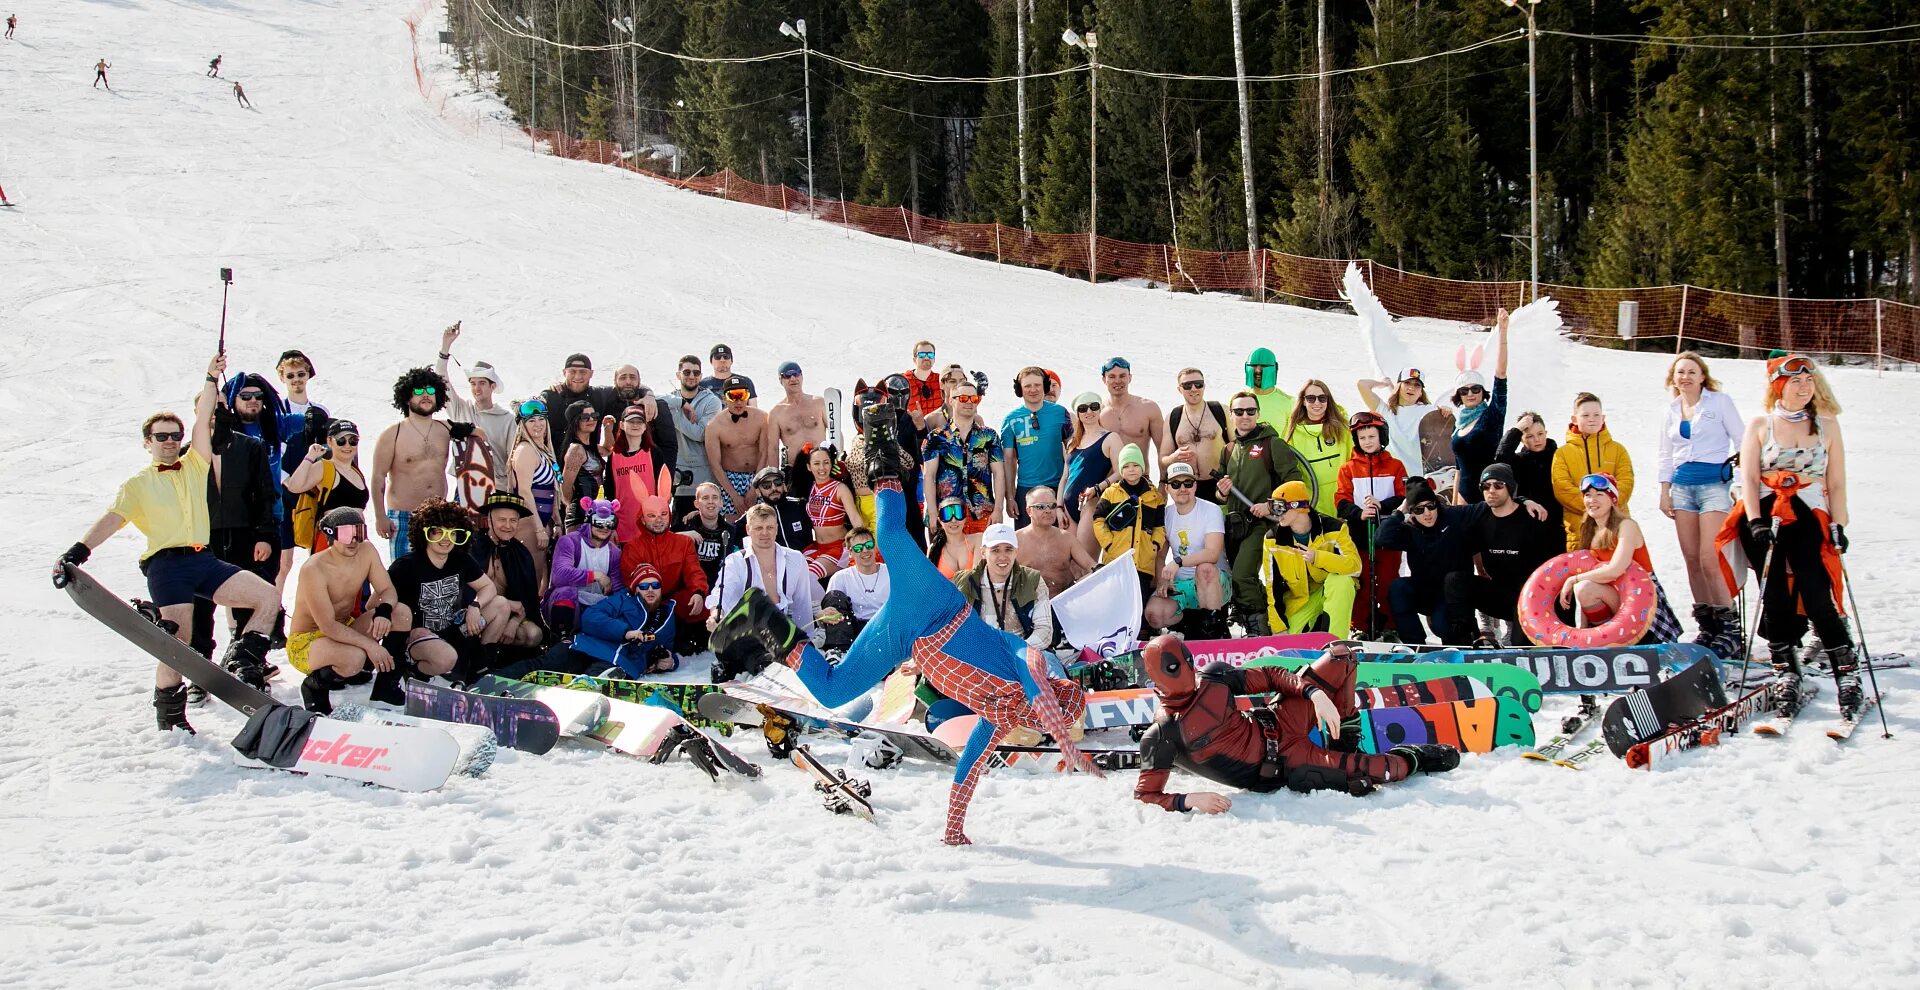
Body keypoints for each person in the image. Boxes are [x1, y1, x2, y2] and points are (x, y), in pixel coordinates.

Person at [710, 409, 1098, 845]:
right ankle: (883, 455)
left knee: (833, 692)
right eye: (1055, 710)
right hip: (934, 607)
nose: (1046, 715)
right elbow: (1034, 678)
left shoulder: (999, 716)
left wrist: (954, 829)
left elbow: (967, 772)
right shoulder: (1027, 662)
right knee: (891, 537)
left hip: (909, 637)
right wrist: (1066, 741)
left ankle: (760, 618)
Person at [55, 356, 282, 729]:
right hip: (167, 567)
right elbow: (112, 519)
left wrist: (211, 377)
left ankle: (245, 656)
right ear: (148, 442)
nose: (170, 441)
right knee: (178, 645)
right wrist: (77, 552)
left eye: (175, 435)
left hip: (205, 561)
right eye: (161, 436)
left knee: (267, 596)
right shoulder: (138, 485)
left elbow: (204, 414)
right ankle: (171, 715)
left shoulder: (196, 464)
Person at [1133, 637, 1458, 812]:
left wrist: (1313, 692)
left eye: (1187, 664)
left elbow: (1272, 675)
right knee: (1385, 770)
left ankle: (1343, 741)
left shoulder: (1214, 679)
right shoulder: (1163, 735)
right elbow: (1146, 796)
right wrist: (1188, 800)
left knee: (1341, 656)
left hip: (1278, 721)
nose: (1186, 674)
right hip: (1284, 764)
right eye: (1176, 668)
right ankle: (1413, 756)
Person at [1727, 353, 1857, 717]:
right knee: (1775, 596)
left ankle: (1845, 667)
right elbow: (1749, 479)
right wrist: (1754, 521)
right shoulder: (1760, 425)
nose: (1804, 386)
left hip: (1806, 513)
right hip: (1766, 515)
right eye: (1796, 380)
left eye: (1809, 380)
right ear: (1778, 385)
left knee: (1816, 592)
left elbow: (1837, 481)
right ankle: (1785, 667)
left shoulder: (1827, 425)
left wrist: (1839, 524)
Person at [1658, 352, 1744, 658]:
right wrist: (1664, 490)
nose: (1686, 377)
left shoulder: (1719, 403)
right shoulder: (1671, 410)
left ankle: (1731, 627)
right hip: (1682, 487)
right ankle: (1709, 627)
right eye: (1680, 372)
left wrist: (1740, 484)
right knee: (1692, 559)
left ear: (1702, 376)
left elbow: (1743, 442)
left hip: (1714, 486)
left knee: (1710, 557)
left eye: (1692, 372)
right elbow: (1666, 454)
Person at [188, 385, 278, 665]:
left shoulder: (250, 446)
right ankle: (200, 667)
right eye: (207, 408)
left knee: (248, 599)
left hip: (244, 535)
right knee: (200, 606)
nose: (214, 414)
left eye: (218, 407)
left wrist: (263, 535)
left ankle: (246, 662)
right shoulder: (186, 453)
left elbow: (265, 494)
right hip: (202, 538)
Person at [1216, 390, 1313, 636]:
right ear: (1231, 415)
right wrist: (1221, 492)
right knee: (1238, 577)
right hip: (1235, 525)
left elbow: (1294, 483)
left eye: (1250, 411)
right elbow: (1220, 495)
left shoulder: (1273, 444)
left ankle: (1259, 629)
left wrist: (1270, 506)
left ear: (1258, 413)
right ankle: (1257, 618)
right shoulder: (1228, 450)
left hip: (1263, 524)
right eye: (1239, 411)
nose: (1245, 416)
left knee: (1242, 574)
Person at [386, 499, 511, 690]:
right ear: (424, 532)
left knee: (501, 604)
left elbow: (488, 588)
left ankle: (481, 666)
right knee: (444, 658)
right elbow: (378, 603)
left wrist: (475, 606)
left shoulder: (460, 559)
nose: (446, 539)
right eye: (438, 532)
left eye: (453, 533)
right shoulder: (405, 566)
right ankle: (416, 671)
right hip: (419, 636)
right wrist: (405, 626)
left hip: (452, 628)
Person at [287, 509, 399, 713]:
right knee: (354, 658)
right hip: (307, 641)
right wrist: (371, 647)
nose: (353, 540)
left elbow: (387, 590)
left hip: (344, 628)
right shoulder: (314, 569)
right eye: (346, 533)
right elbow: (327, 626)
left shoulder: (366, 551)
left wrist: (383, 611)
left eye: (359, 532)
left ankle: (388, 684)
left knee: (400, 613)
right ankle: (314, 687)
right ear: (331, 536)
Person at [1558, 473, 1683, 645]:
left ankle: (1640, 641)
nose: (1592, 500)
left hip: (1642, 597)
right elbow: (1591, 581)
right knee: (1584, 588)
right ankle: (1605, 641)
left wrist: (1573, 579)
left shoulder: (1627, 526)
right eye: (1588, 495)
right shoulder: (1589, 531)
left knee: (1583, 585)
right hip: (1612, 596)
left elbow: (1616, 569)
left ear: (1613, 499)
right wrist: (1583, 631)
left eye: (1599, 494)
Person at [1447, 464, 1559, 646]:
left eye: (1498, 485)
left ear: (1510, 487)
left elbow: (1553, 568)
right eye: (1486, 486)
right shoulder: (1480, 514)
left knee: (1519, 645)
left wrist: (1523, 500)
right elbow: (1441, 513)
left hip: (1533, 598)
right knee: (1455, 580)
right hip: (1502, 595)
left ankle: (1522, 640)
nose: (1491, 491)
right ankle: (1468, 643)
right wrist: (1404, 511)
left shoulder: (1533, 517)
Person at [371, 367, 474, 559]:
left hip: (439, 518)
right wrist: (380, 516)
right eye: (419, 391)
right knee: (404, 578)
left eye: (431, 391)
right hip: (404, 517)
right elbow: (378, 477)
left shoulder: (446, 428)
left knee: (436, 577)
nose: (425, 396)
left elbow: (479, 435)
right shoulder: (393, 434)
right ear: (407, 397)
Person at [704, 503, 816, 665]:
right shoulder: (735, 561)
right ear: (748, 530)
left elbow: (802, 604)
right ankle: (763, 664)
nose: (765, 533)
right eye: (758, 528)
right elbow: (720, 596)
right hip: (746, 637)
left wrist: (806, 642)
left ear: (777, 528)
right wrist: (716, 615)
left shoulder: (796, 559)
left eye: (769, 527)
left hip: (781, 632)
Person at [1374, 481, 1474, 645]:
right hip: (1426, 591)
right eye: (1419, 509)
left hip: (1452, 596)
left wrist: (1521, 500)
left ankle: (1458, 643)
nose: (1427, 513)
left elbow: (1487, 508)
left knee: (1442, 625)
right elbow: (1381, 538)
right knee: (1398, 588)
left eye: (1430, 506)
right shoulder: (1409, 529)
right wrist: (1399, 511)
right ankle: (1415, 645)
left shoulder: (1453, 516)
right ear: (1411, 512)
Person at [1334, 412, 1406, 638]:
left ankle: (1389, 626)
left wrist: (1381, 506)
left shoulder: (1395, 466)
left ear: (1381, 436)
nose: (1367, 441)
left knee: (1387, 582)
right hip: (1360, 534)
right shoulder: (1349, 468)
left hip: (1388, 534)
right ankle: (1360, 627)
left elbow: (1404, 496)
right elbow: (1341, 500)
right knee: (1362, 581)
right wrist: (1359, 513)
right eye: (1362, 437)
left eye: (1371, 436)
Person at [1260, 481, 1362, 638]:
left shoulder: (1334, 529)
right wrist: (1278, 626)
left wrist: (1318, 557)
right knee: (1287, 642)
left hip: (1331, 590)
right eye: (1272, 508)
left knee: (1343, 582)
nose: (1276, 514)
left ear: (1297, 506)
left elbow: (1355, 566)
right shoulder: (1272, 540)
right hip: (1300, 601)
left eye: (1279, 508)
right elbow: (1271, 587)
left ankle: (1337, 643)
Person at [618, 495, 710, 654]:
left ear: (669, 516)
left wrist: (698, 592)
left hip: (673, 600)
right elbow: (631, 583)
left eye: (663, 514)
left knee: (703, 602)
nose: (658, 520)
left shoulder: (683, 543)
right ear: (643, 519)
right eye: (652, 516)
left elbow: (694, 571)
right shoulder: (632, 547)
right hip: (644, 603)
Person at [434, 323, 517, 497]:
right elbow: (441, 381)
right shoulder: (462, 409)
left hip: (497, 486)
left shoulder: (507, 418)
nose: (476, 388)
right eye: (473, 383)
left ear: (492, 386)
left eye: (482, 383)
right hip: (465, 484)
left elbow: (512, 459)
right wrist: (445, 347)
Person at [1092, 444, 1170, 624]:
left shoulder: (1154, 497)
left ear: (1142, 467)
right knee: (1115, 603)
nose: (1131, 470)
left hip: (1143, 563)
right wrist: (1109, 544)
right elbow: (1098, 520)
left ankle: (1140, 634)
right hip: (1116, 561)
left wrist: (1154, 546)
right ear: (1120, 469)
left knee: (1139, 602)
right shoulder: (1111, 493)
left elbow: (1159, 527)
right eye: (1126, 466)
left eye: (1135, 465)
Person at [1551, 392, 1634, 551]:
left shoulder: (1618, 450)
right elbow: (1562, 489)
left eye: (1596, 414)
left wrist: (1605, 509)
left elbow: (1626, 482)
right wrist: (1592, 506)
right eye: (1586, 415)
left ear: (1603, 418)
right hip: (1580, 529)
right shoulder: (1562, 453)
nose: (1592, 419)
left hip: (1615, 528)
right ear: (1574, 419)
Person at [920, 377, 1004, 536]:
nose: (969, 402)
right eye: (963, 398)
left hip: (982, 513)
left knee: (982, 560)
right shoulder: (936, 437)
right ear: (951, 400)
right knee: (947, 560)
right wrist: (932, 512)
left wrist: (999, 509)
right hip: (947, 514)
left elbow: (999, 473)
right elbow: (929, 476)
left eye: (974, 399)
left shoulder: (989, 436)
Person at [955, 524, 1054, 651]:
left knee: (1054, 669)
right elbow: (954, 631)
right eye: (995, 550)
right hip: (979, 654)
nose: (1002, 557)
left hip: (1024, 651)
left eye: (1008, 549)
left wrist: (1018, 651)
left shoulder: (1032, 579)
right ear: (983, 552)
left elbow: (1044, 631)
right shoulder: (964, 582)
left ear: (1016, 552)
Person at [1160, 462, 1229, 639]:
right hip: (1182, 584)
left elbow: (1213, 553)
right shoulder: (1165, 514)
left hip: (1214, 582)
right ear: (1167, 488)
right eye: (1176, 484)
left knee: (1205, 568)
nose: (1182, 488)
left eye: (1188, 483)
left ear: (1195, 485)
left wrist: (1178, 562)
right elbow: (1160, 553)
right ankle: (1190, 624)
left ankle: (1214, 630)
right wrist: (1161, 580)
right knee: (1154, 614)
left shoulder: (1211, 509)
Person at [470, 492, 546, 651]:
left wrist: (514, 622)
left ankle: (498, 658)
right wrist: (508, 605)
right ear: (489, 521)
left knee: (533, 634)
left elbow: (527, 601)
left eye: (513, 520)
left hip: (509, 615)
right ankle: (481, 661)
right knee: (501, 606)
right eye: (502, 520)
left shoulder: (521, 554)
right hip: (475, 613)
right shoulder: (472, 547)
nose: (508, 526)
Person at [574, 563, 681, 676]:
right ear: (636, 590)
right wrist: (625, 632)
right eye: (644, 586)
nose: (650, 589)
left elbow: (667, 650)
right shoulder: (622, 599)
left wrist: (671, 662)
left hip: (622, 663)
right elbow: (590, 617)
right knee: (559, 660)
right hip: (589, 646)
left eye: (655, 585)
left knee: (605, 673)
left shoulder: (667, 615)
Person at [999, 366, 1071, 529]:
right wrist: (1010, 497)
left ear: (1044, 386)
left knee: (1060, 542)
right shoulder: (1010, 419)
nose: (1033, 390)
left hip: (1058, 487)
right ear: (1019, 389)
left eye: (1037, 385)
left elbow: (1073, 451)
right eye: (1027, 386)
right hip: (1026, 489)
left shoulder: (1061, 413)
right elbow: (1008, 461)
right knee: (1026, 543)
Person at [1451, 311, 1510, 504]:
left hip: (1491, 493)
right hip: (1464, 496)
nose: (1470, 394)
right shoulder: (1458, 425)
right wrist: (1453, 507)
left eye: (1475, 389)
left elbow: (1500, 373)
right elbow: (1459, 470)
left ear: (1482, 391)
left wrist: (1502, 332)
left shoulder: (1493, 414)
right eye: (1464, 391)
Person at [285, 419, 371, 551]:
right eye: (341, 441)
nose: (347, 446)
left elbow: (359, 510)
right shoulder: (324, 467)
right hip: (331, 540)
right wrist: (310, 457)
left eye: (353, 441)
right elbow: (294, 486)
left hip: (357, 539)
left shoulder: (356, 471)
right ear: (330, 441)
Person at [546, 496, 623, 636]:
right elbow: (559, 576)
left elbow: (618, 589)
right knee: (565, 592)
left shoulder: (615, 553)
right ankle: (561, 639)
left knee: (618, 602)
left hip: (597, 609)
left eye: (610, 522)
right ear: (588, 520)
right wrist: (595, 576)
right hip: (567, 605)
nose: (604, 527)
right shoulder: (569, 542)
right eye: (598, 522)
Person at [705, 376, 777, 523]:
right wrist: (734, 495)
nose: (738, 401)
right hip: (730, 479)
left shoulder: (762, 418)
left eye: (742, 395)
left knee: (761, 521)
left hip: (757, 475)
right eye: (733, 396)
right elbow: (715, 464)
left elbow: (764, 453)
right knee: (733, 524)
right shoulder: (714, 426)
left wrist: (754, 487)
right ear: (724, 398)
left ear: (748, 397)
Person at [506, 400, 560, 588]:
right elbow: (524, 491)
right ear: (522, 425)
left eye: (541, 419)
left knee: (541, 573)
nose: (538, 424)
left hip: (544, 520)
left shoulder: (543, 450)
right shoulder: (525, 451)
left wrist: (557, 521)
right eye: (531, 421)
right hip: (529, 522)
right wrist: (538, 528)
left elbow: (553, 489)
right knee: (531, 575)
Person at [1280, 378, 1352, 516]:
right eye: (1311, 398)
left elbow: (1353, 459)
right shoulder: (1293, 434)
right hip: (1312, 503)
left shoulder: (1342, 429)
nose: (1317, 403)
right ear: (1303, 401)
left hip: (1342, 500)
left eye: (1322, 398)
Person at [605, 403, 673, 544]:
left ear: (645, 426)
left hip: (649, 524)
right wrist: (611, 527)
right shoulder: (614, 456)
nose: (635, 425)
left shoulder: (654, 453)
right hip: (622, 525)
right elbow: (609, 493)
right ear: (622, 425)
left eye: (639, 421)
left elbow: (663, 491)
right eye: (631, 421)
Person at [1095, 357, 1171, 480]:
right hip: (1108, 484)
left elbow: (1163, 451)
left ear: (1130, 378)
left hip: (1141, 481)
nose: (1117, 381)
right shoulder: (1097, 412)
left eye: (1122, 376)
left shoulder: (1148, 408)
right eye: (1112, 376)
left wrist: (1163, 482)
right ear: (1104, 379)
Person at [1016, 486, 1096, 599]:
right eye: (1041, 507)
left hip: (1065, 604)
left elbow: (1092, 566)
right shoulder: (1015, 541)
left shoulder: (1067, 538)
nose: (1048, 510)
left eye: (1052, 506)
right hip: (1030, 607)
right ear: (1029, 511)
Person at [669, 355, 723, 521]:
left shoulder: (712, 401)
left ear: (701, 376)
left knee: (707, 529)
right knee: (680, 530)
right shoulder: (671, 399)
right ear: (678, 375)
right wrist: (680, 403)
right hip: (678, 480)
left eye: (696, 372)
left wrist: (675, 414)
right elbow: (651, 397)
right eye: (686, 372)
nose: (691, 376)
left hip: (704, 478)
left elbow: (700, 434)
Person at [1357, 366, 1437, 476]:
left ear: (1421, 392)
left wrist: (1445, 410)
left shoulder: (1428, 411)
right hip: (1393, 479)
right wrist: (1384, 384)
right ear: (1399, 386)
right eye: (1407, 383)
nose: (1411, 388)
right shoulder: (1385, 412)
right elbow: (1362, 384)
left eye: (1417, 385)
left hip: (1420, 480)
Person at [799, 445, 862, 579]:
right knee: (794, 573)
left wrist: (861, 543)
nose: (822, 468)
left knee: (809, 575)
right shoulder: (809, 489)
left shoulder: (840, 488)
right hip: (817, 547)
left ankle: (827, 601)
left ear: (831, 464)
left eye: (826, 462)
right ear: (809, 467)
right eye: (816, 463)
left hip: (838, 548)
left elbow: (855, 518)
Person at [1164, 368, 1227, 503]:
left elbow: (1238, 446)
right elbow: (1163, 459)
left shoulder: (1221, 411)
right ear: (1179, 389)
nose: (1193, 388)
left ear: (1204, 386)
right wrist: (1174, 457)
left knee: (1220, 523)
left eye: (1198, 384)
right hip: (1187, 487)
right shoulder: (1173, 418)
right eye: (1187, 385)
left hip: (1219, 485)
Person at [821, 527, 889, 648]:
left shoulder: (891, 572)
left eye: (869, 545)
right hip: (854, 629)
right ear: (850, 553)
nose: (865, 550)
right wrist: (822, 614)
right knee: (834, 596)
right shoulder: (841, 577)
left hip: (886, 627)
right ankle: (838, 650)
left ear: (875, 547)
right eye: (858, 548)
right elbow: (830, 610)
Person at [1059, 392, 1119, 524]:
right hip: (1068, 506)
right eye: (1083, 408)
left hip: (1092, 503)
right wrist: (1059, 507)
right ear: (1078, 414)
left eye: (1094, 406)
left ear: (1100, 409)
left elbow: (1120, 473)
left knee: (1084, 545)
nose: (1089, 411)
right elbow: (1065, 477)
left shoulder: (1111, 438)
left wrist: (1097, 488)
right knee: (1070, 545)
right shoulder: (1072, 443)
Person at [557, 400, 608, 531]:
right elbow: (565, 487)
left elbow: (609, 449)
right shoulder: (576, 450)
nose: (591, 419)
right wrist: (572, 506)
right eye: (585, 417)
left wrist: (608, 428)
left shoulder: (591, 447)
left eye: (594, 415)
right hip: (580, 516)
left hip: (594, 511)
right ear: (575, 421)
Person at [680, 481, 741, 584]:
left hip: (719, 587)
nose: (711, 501)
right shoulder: (686, 526)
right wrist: (682, 536)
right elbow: (663, 540)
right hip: (690, 586)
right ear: (696, 504)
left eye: (715, 497)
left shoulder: (731, 531)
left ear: (721, 503)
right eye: (705, 498)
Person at [1495, 410, 1558, 508]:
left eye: (1540, 434)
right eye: (1530, 436)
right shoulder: (1520, 460)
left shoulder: (1559, 456)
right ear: (1521, 440)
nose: (1537, 439)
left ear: (1546, 433)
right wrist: (1516, 430)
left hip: (1560, 518)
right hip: (1529, 517)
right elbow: (1501, 457)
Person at [767, 362, 827, 464]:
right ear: (780, 380)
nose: (793, 379)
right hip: (795, 469)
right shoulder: (776, 413)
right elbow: (773, 449)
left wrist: (836, 458)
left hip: (821, 466)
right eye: (787, 376)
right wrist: (775, 476)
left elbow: (836, 432)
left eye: (796, 374)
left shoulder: (819, 402)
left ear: (802, 376)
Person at [539, 353, 616, 431]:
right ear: (564, 373)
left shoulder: (599, 396)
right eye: (572, 372)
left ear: (591, 374)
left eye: (583, 372)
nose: (577, 377)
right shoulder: (551, 397)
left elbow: (623, 392)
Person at [927, 495, 980, 580]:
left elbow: (978, 577)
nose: (954, 520)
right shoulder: (934, 548)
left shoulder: (978, 539)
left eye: (958, 514)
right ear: (940, 520)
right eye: (947, 515)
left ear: (965, 518)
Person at [1243, 347, 1293, 433]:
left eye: (1264, 366)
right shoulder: (1237, 400)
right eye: (1253, 365)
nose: (1258, 370)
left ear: (1275, 367)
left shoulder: (1290, 403)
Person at [901, 341, 944, 429]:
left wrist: (978, 391)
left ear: (934, 359)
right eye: (922, 355)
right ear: (914, 359)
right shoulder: (903, 381)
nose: (926, 357)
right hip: (911, 432)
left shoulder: (942, 381)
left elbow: (960, 400)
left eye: (930, 355)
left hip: (937, 432)